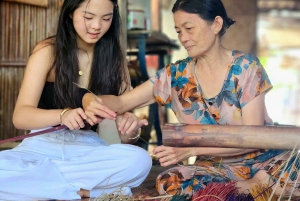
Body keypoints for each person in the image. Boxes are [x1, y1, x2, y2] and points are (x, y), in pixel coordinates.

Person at [82, 0, 300, 198]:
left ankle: (253, 185)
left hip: (265, 160)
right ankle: (257, 187)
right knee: (170, 182)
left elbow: (252, 136)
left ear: (216, 24)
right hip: (217, 168)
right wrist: (86, 100)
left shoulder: (246, 68)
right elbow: (121, 103)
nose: (183, 38)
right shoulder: (174, 76)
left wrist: (192, 150)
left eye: (189, 28)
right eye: (178, 31)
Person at [0, 0, 152, 200]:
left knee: (140, 160)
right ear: (70, 12)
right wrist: (63, 115)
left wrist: (130, 130)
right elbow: (20, 117)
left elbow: (124, 134)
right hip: (41, 145)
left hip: (87, 149)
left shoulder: (115, 59)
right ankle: (80, 192)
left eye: (106, 18)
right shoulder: (48, 51)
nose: (97, 25)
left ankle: (43, 185)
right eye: (88, 17)